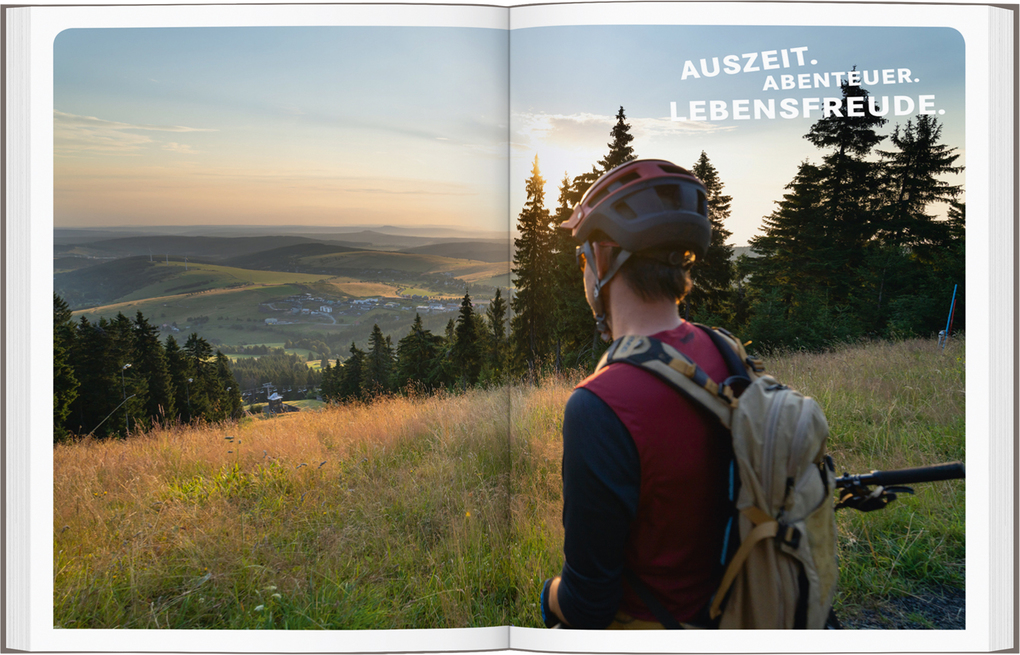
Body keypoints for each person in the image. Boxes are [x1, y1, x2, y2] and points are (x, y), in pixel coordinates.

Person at [539, 159, 734, 629]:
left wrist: (547, 596)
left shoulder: (600, 406)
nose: (584, 271)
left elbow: (588, 607)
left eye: (583, 258)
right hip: (738, 615)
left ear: (603, 259)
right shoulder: (723, 351)